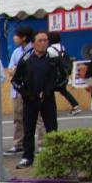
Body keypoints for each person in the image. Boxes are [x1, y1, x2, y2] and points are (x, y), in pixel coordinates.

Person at [11, 31, 63, 168]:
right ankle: (27, 157)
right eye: (40, 41)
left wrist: (50, 90)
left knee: (51, 128)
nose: (43, 43)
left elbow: (63, 77)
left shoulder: (53, 58)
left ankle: (55, 156)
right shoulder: (26, 59)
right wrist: (27, 94)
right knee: (28, 129)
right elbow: (15, 81)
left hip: (48, 99)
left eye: (45, 40)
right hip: (30, 100)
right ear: (33, 43)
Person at [4, 25, 39, 155]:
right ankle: (19, 143)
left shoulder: (34, 50)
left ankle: (42, 144)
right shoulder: (16, 52)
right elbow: (11, 68)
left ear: (24, 37)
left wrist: (17, 71)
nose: (14, 37)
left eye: (16, 35)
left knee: (38, 118)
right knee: (18, 117)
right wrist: (13, 71)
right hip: (18, 90)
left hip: (32, 89)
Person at [46, 32, 81, 114]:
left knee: (48, 91)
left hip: (55, 76)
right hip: (63, 74)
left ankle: (50, 110)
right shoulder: (62, 47)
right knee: (63, 91)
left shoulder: (50, 50)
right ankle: (75, 106)